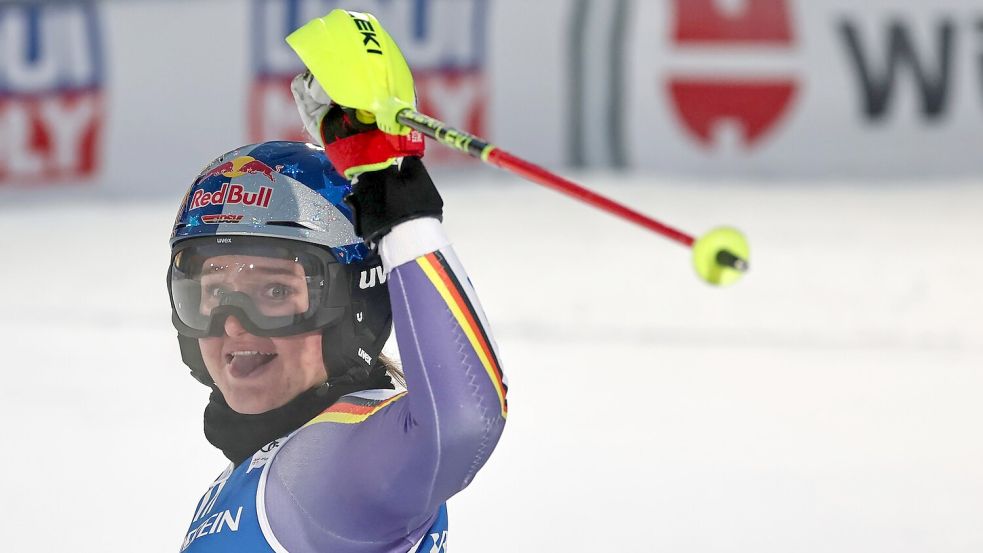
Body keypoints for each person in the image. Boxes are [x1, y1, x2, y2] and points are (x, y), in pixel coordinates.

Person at [168, 69, 507, 552]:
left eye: (276, 293)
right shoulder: (259, 474)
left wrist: (397, 201)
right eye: (214, 293)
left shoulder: (333, 464)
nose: (234, 323)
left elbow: (460, 423)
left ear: (355, 304)